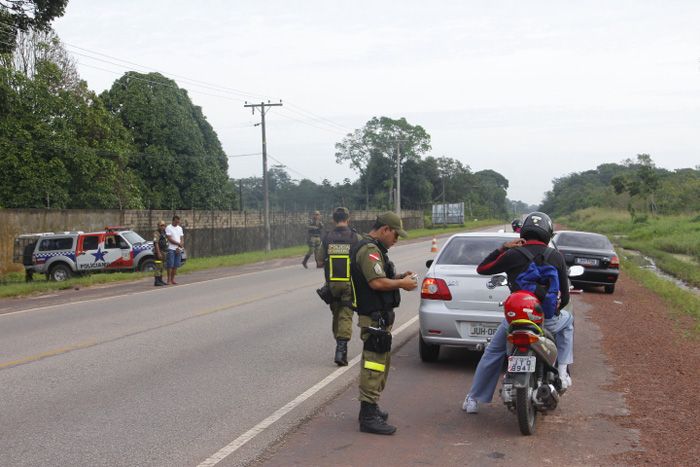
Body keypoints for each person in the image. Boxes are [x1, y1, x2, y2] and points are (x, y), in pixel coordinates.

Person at [462, 211, 574, 414]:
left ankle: (473, 399)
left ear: (524, 231)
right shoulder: (556, 257)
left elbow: (482, 268)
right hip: (546, 320)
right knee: (568, 321)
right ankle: (563, 372)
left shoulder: (513, 254)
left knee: (493, 353)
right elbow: (564, 299)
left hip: (517, 320)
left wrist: (504, 247)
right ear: (548, 233)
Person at [350, 212, 417, 435]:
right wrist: (402, 284)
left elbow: (380, 276)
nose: (397, 240)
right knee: (374, 364)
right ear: (385, 229)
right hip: (374, 318)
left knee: (380, 363)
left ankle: (370, 408)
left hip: (380, 318)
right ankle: (368, 415)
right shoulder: (369, 250)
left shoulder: (375, 249)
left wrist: (399, 277)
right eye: (396, 235)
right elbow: (376, 282)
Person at [316, 207, 361, 366]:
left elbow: (319, 262)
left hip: (332, 284)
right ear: (348, 220)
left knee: (337, 315)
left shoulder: (327, 238)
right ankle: (341, 350)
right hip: (350, 285)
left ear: (333, 221)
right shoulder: (356, 237)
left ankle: (339, 344)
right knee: (346, 315)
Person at [165, 215, 184, 285]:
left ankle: (173, 279)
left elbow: (181, 237)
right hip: (171, 248)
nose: (177, 224)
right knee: (170, 265)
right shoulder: (168, 228)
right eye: (176, 222)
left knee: (176, 265)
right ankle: (168, 280)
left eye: (178, 222)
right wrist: (178, 244)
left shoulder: (180, 228)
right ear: (172, 221)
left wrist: (180, 246)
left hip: (178, 248)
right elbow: (170, 238)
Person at [153, 220, 169, 286]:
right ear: (158, 226)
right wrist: (159, 253)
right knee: (158, 266)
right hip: (159, 251)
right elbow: (156, 243)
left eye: (164, 225)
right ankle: (157, 281)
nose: (163, 227)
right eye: (161, 225)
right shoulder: (157, 233)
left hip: (164, 251)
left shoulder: (164, 233)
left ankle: (160, 280)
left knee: (162, 266)